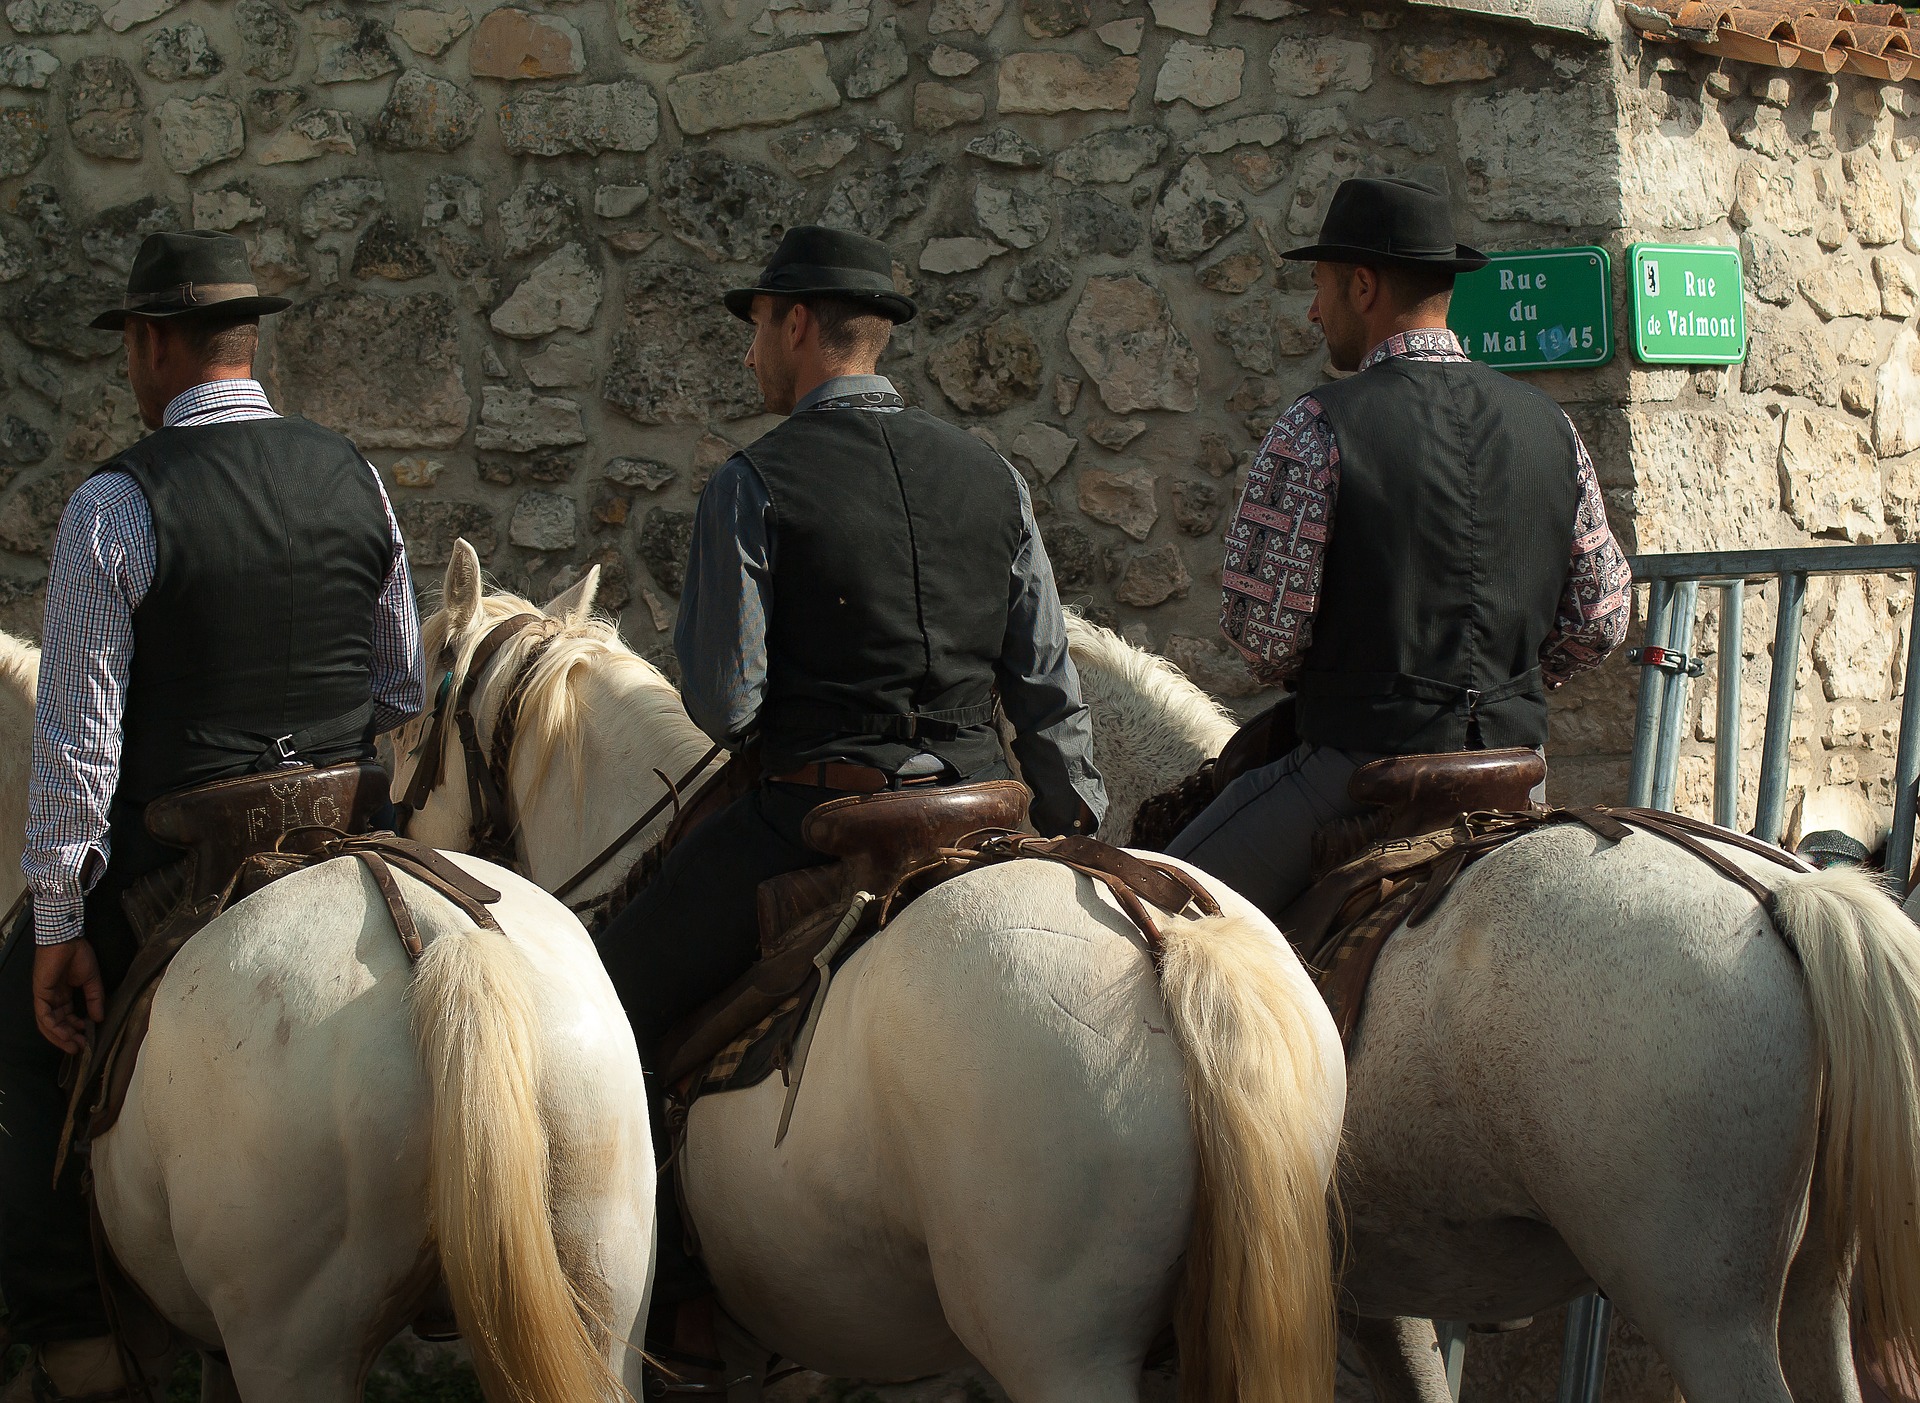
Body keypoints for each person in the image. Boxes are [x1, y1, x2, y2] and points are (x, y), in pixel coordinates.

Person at [595, 224, 1106, 1337]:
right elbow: (1046, 688)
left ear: (793, 326)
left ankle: (653, 1277)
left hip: (811, 819)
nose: (747, 361)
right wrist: (1076, 826)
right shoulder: (992, 473)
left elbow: (727, 705)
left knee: (595, 999)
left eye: (754, 333)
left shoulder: (754, 482)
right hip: (984, 811)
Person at [0, 230, 425, 1400]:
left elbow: (80, 751)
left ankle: (79, 1340)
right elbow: (403, 686)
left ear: (146, 346)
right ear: (248, 342)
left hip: (184, 855)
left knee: (13, 1038)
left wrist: (53, 926)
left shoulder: (112, 505)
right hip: (347, 827)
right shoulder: (357, 474)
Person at [1168, 177, 1630, 915]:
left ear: (1362, 285)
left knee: (1154, 910)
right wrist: (1500, 682)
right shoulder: (1551, 425)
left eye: (1319, 285)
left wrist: (1363, 681)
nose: (1313, 310)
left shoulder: (1316, 425)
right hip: (1516, 774)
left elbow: (1265, 633)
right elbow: (1600, 621)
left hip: (1359, 775)